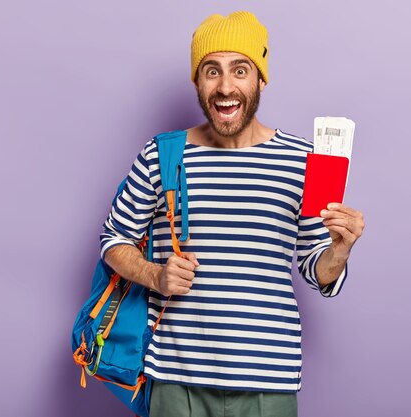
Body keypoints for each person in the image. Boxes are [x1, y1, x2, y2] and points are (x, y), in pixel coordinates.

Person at [99, 11, 364, 417]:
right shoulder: (162, 154)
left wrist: (340, 250)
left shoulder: (306, 162)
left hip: (268, 385)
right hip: (175, 383)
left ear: (260, 79)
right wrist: (155, 275)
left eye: (240, 70)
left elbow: (317, 270)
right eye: (211, 71)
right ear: (197, 81)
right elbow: (113, 240)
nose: (225, 87)